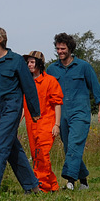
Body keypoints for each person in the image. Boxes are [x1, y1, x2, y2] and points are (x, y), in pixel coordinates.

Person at [0, 27, 42, 197]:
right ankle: (33, 186)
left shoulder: (16, 60)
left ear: (0, 40)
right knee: (12, 147)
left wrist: (34, 111)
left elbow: (29, 87)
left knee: (0, 145)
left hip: (12, 107)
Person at [45, 33, 100, 190]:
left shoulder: (84, 66)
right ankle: (83, 181)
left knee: (74, 144)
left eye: (63, 48)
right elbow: (45, 91)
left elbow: (96, 88)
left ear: (70, 48)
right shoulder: (52, 69)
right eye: (58, 48)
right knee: (69, 147)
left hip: (80, 113)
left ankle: (70, 181)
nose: (60, 51)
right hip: (61, 114)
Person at [22, 51, 63, 192]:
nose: (29, 65)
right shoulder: (26, 82)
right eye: (28, 62)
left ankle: (42, 187)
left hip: (47, 124)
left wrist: (57, 125)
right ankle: (54, 185)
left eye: (32, 62)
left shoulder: (50, 81)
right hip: (31, 124)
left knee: (42, 154)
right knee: (36, 156)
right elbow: (24, 105)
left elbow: (57, 103)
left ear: (39, 63)